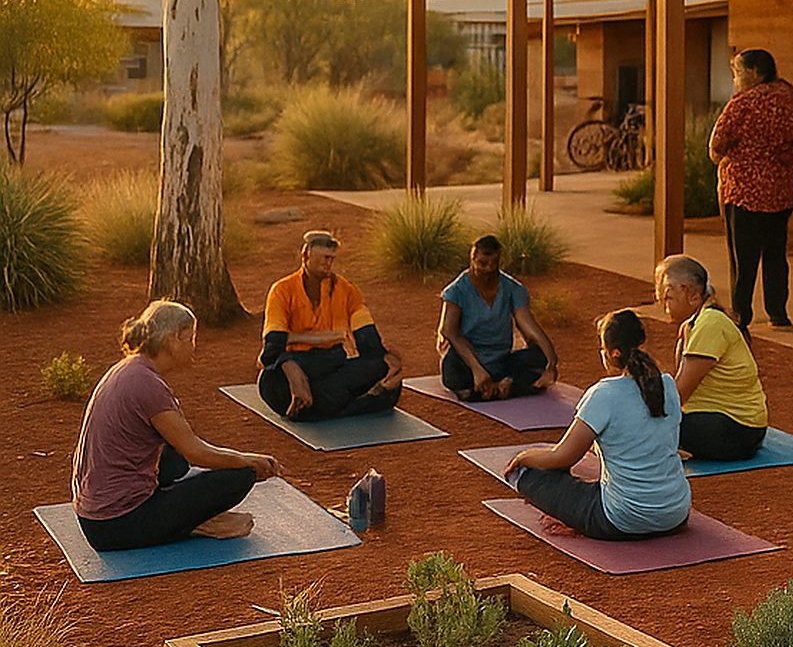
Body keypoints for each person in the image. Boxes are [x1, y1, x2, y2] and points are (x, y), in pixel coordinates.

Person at [73, 301, 282, 550]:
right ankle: (199, 526)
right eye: (190, 338)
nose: (194, 346)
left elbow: (182, 452)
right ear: (173, 339)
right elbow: (196, 452)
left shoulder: (128, 368)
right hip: (116, 524)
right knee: (239, 476)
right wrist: (249, 461)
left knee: (174, 460)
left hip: (93, 517)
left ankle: (188, 522)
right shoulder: (147, 384)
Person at [500, 310, 691, 540]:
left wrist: (523, 456)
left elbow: (562, 456)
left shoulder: (604, 393)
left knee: (526, 473)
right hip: (675, 513)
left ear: (613, 353)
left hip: (622, 521)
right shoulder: (668, 385)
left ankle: (574, 511)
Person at [709, 47, 793, 331]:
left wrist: (724, 158)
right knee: (776, 254)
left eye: (738, 72)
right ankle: (778, 311)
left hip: (744, 191)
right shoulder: (789, 96)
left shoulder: (743, 101)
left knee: (743, 257)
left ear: (754, 72)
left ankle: (741, 314)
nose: (735, 78)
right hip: (780, 190)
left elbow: (718, 142)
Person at [258, 229, 404, 421]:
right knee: (270, 383)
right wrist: (290, 368)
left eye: (332, 258)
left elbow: (368, 341)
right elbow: (272, 348)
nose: (329, 263)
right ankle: (356, 402)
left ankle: (317, 406)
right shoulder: (282, 290)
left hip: (331, 364)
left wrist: (389, 362)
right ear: (306, 254)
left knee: (383, 371)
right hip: (295, 363)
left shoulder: (346, 290)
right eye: (324, 257)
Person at [654, 254, 770, 462]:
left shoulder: (710, 323)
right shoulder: (694, 323)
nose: (664, 305)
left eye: (668, 297)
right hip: (730, 424)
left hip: (737, 431)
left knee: (641, 424)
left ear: (692, 295)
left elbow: (680, 393)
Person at [436, 234, 559, 401]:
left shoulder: (512, 288)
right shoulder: (456, 291)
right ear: (472, 260)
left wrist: (551, 364)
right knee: (451, 369)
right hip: (469, 358)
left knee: (538, 356)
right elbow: (449, 332)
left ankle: (498, 386)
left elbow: (530, 327)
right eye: (482, 263)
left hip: (502, 360)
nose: (488, 269)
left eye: (494, 264)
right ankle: (503, 387)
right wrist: (477, 369)